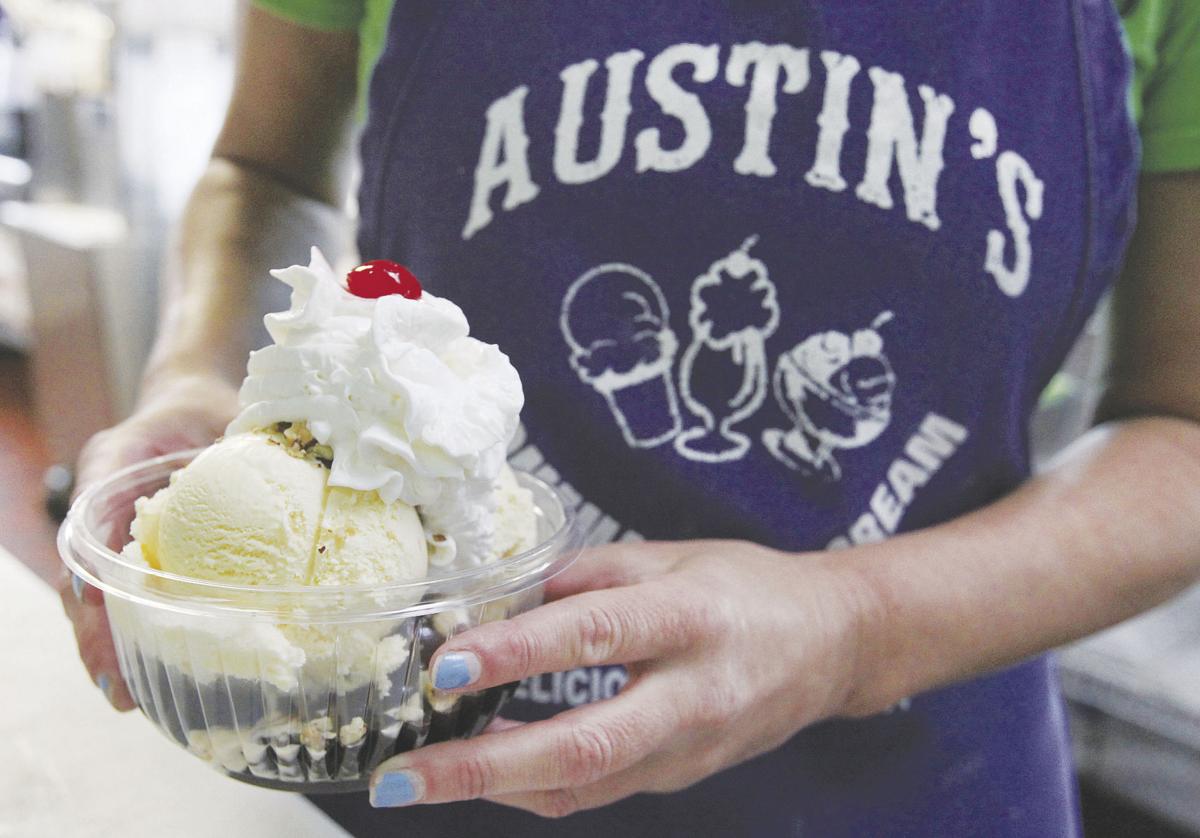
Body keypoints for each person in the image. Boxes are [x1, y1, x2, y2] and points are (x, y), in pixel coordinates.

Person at [60, 1, 1200, 835]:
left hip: (910, 771)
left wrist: (857, 624)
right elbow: (262, 165)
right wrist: (201, 378)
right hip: (403, 734)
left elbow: (1183, 425)